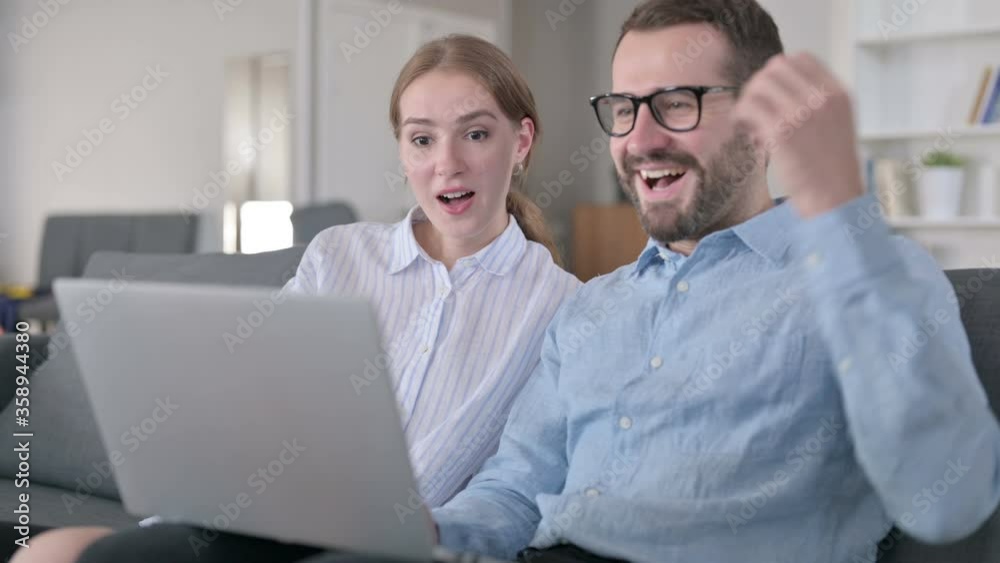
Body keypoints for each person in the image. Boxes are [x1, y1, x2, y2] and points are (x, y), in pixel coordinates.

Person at [56, 0, 1000, 561]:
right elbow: (514, 487)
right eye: (624, 107)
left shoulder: (866, 274)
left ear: (762, 116)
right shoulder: (596, 310)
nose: (639, 138)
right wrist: (432, 530)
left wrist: (837, 210)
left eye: (677, 103)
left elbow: (945, 501)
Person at [10, 34, 580, 563]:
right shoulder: (339, 255)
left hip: (390, 551)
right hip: (258, 523)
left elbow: (517, 485)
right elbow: (251, 409)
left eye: (475, 134)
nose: (447, 164)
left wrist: (434, 529)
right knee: (49, 553)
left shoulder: (562, 307)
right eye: (422, 139)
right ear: (403, 152)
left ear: (521, 141)